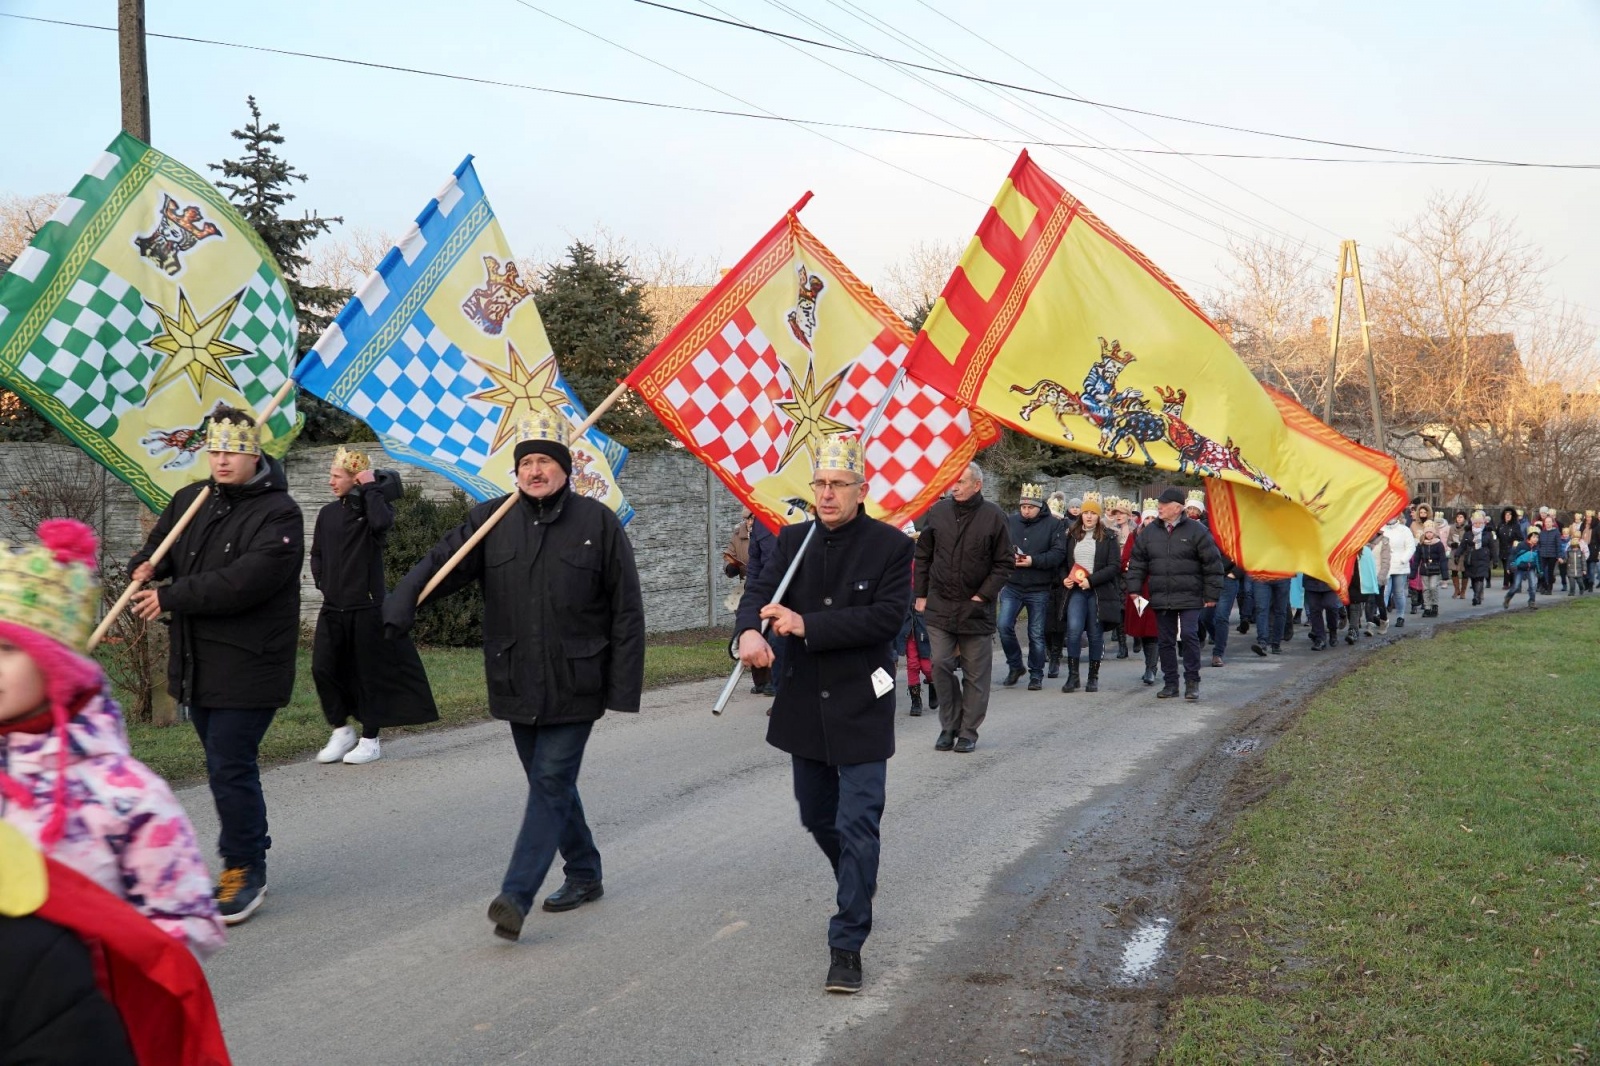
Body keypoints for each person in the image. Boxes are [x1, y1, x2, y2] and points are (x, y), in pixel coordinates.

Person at [384, 411, 645, 942]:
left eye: (544, 461)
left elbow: (626, 610)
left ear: (564, 468)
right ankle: (586, 871)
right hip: (514, 677)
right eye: (526, 462)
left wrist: (622, 688)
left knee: (550, 780)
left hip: (577, 679)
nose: (534, 471)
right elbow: (440, 563)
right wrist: (400, 602)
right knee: (550, 783)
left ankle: (516, 895)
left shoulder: (598, 524)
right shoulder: (491, 520)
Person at [733, 433, 913, 995]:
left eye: (839, 485)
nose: (828, 494)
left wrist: (808, 625)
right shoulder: (791, 542)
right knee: (819, 817)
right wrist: (747, 633)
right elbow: (756, 592)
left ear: (862, 490)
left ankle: (847, 943)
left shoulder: (891, 546)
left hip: (862, 702)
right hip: (804, 703)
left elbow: (887, 619)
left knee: (859, 822)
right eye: (821, 484)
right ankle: (858, 881)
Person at [0, 519, 224, 959]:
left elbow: (190, 923)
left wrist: (82, 962)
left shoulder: (126, 798)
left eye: (8, 649)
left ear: (54, 666)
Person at [128, 408, 303, 925]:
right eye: (215, 450)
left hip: (251, 663)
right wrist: (149, 563)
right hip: (198, 660)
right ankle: (249, 844)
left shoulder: (280, 514)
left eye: (233, 451)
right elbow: (165, 545)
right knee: (226, 764)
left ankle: (244, 868)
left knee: (229, 762)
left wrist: (173, 595)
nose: (222, 459)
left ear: (255, 455)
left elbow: (245, 581)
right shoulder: (191, 500)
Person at [0, 821, 231, 1066]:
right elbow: (195, 928)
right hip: (106, 988)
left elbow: (189, 921)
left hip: (111, 988)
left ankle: (246, 863)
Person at [310, 447, 438, 766]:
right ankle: (341, 730)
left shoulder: (371, 511)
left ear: (355, 479)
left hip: (366, 608)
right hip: (333, 607)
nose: (330, 481)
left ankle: (370, 739)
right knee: (322, 667)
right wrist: (325, 583)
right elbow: (317, 555)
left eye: (336, 476)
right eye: (331, 476)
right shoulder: (327, 513)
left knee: (369, 674)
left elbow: (382, 523)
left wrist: (370, 488)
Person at [914, 461, 1013, 753]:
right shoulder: (938, 512)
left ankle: (968, 731)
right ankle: (950, 724)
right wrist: (920, 593)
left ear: (977, 485)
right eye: (952, 482)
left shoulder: (994, 517)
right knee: (941, 665)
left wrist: (982, 596)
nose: (953, 486)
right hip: (940, 604)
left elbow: (1004, 563)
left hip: (975, 608)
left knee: (975, 674)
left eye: (960, 482)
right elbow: (923, 556)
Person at [1124, 488, 1223, 701]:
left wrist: (1211, 595)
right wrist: (1133, 590)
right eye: (1159, 503)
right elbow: (1137, 564)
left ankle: (1192, 681)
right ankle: (1171, 683)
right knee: (1165, 640)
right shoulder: (1149, 533)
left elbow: (1213, 564)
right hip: (1161, 596)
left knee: (1188, 634)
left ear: (1178, 507)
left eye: (1164, 504)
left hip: (1190, 595)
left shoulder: (1197, 531)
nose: (1159, 507)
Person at [998, 484, 1066, 691]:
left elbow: (1058, 554)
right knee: (1003, 625)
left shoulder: (1053, 525)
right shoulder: (1010, 521)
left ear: (1039, 506)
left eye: (1030, 507)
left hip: (1039, 587)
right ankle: (1015, 665)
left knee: (1035, 633)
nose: (1026, 510)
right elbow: (1000, 547)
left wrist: (1033, 561)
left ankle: (1036, 674)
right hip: (1013, 584)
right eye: (1023, 506)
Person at [1058, 492, 1123, 695]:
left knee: (1095, 634)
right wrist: (1065, 578)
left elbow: (1114, 566)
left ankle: (1092, 677)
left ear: (1098, 516)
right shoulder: (1072, 535)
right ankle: (1073, 676)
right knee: (1074, 630)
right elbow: (1063, 563)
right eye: (1085, 513)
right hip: (1076, 590)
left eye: (1092, 513)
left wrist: (1092, 580)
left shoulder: (1109, 537)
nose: (1088, 516)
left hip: (1098, 591)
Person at [1122, 499, 1161, 684]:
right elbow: (1125, 561)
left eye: (1154, 517)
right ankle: (1149, 665)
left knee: (1155, 629)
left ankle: (1152, 668)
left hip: (1160, 587)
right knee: (1144, 629)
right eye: (1148, 518)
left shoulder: (1166, 536)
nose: (1150, 521)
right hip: (1140, 588)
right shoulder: (1134, 536)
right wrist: (1132, 566)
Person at [1043, 492, 1069, 677]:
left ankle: (1055, 656)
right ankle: (1047, 648)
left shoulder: (1067, 533)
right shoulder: (1042, 531)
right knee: (1043, 622)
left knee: (1058, 622)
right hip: (1043, 580)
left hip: (1061, 581)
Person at [1455, 509, 1498, 607]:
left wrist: (1495, 560)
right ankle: (1477, 593)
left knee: (1480, 577)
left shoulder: (1487, 533)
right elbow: (1462, 545)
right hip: (1471, 557)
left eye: (1480, 523)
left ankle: (1476, 596)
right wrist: (1457, 555)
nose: (1478, 524)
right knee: (1473, 578)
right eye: (1476, 523)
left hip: (1483, 556)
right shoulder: (1468, 533)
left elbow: (1492, 547)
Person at [1381, 515, 1416, 628]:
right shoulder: (1381, 529)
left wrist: (1403, 559)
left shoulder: (1404, 530)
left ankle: (1400, 616)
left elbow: (1411, 547)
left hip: (1400, 566)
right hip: (1385, 565)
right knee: (1384, 592)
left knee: (1399, 593)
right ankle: (1381, 617)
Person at [1302, 572, 1342, 650]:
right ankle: (1320, 639)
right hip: (1311, 581)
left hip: (1330, 580)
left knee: (1331, 606)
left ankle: (1333, 631)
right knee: (1314, 609)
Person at [1415, 527, 1448, 618]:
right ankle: (1427, 607)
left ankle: (1434, 605)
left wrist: (1445, 574)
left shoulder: (1438, 544)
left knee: (1433, 587)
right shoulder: (1421, 544)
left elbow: (1443, 559)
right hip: (1424, 568)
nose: (1429, 534)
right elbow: (1417, 559)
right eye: (1427, 532)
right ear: (1424, 534)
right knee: (1425, 588)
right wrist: (1413, 572)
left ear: (1434, 533)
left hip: (1435, 568)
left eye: (1431, 532)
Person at [1504, 531, 1541, 610]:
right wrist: (1510, 566)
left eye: (1537, 537)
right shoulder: (1522, 545)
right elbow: (1513, 555)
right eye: (1534, 537)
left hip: (1530, 568)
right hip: (1520, 568)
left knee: (1533, 585)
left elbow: (1538, 560)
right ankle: (1508, 597)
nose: (1536, 539)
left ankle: (1532, 602)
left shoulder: (1537, 548)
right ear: (1529, 537)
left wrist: (1539, 570)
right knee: (1516, 586)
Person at [1494, 507, 1522, 589]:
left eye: (1510, 515)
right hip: (1502, 548)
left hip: (1511, 549)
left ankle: (1508, 583)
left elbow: (1520, 537)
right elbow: (1497, 534)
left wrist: (1516, 542)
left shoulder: (1515, 525)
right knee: (1505, 567)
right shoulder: (1501, 524)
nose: (1508, 516)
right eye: (1506, 514)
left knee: (1509, 566)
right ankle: (1508, 582)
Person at [1447, 511, 1469, 599]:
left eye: (1461, 517)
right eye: (1458, 517)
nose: (1459, 519)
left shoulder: (1468, 528)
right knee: (1454, 571)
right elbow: (1448, 540)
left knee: (1464, 572)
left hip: (1464, 552)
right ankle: (1457, 590)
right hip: (1455, 552)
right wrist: (1452, 544)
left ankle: (1463, 591)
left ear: (1464, 519)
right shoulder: (1452, 528)